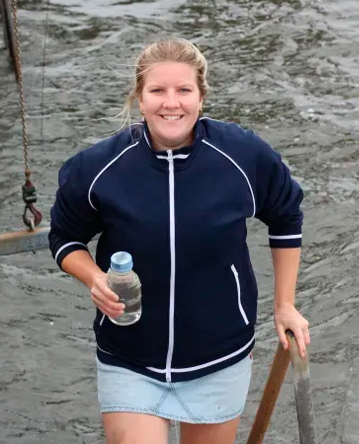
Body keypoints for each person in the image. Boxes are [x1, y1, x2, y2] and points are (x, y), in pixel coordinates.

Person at [49, 39, 308, 444]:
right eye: (157, 91)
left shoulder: (242, 156)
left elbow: (286, 215)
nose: (172, 103)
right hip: (129, 357)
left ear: (201, 97)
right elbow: (65, 237)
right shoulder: (99, 167)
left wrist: (285, 303)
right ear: (140, 97)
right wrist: (94, 277)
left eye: (184, 90)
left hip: (219, 357)